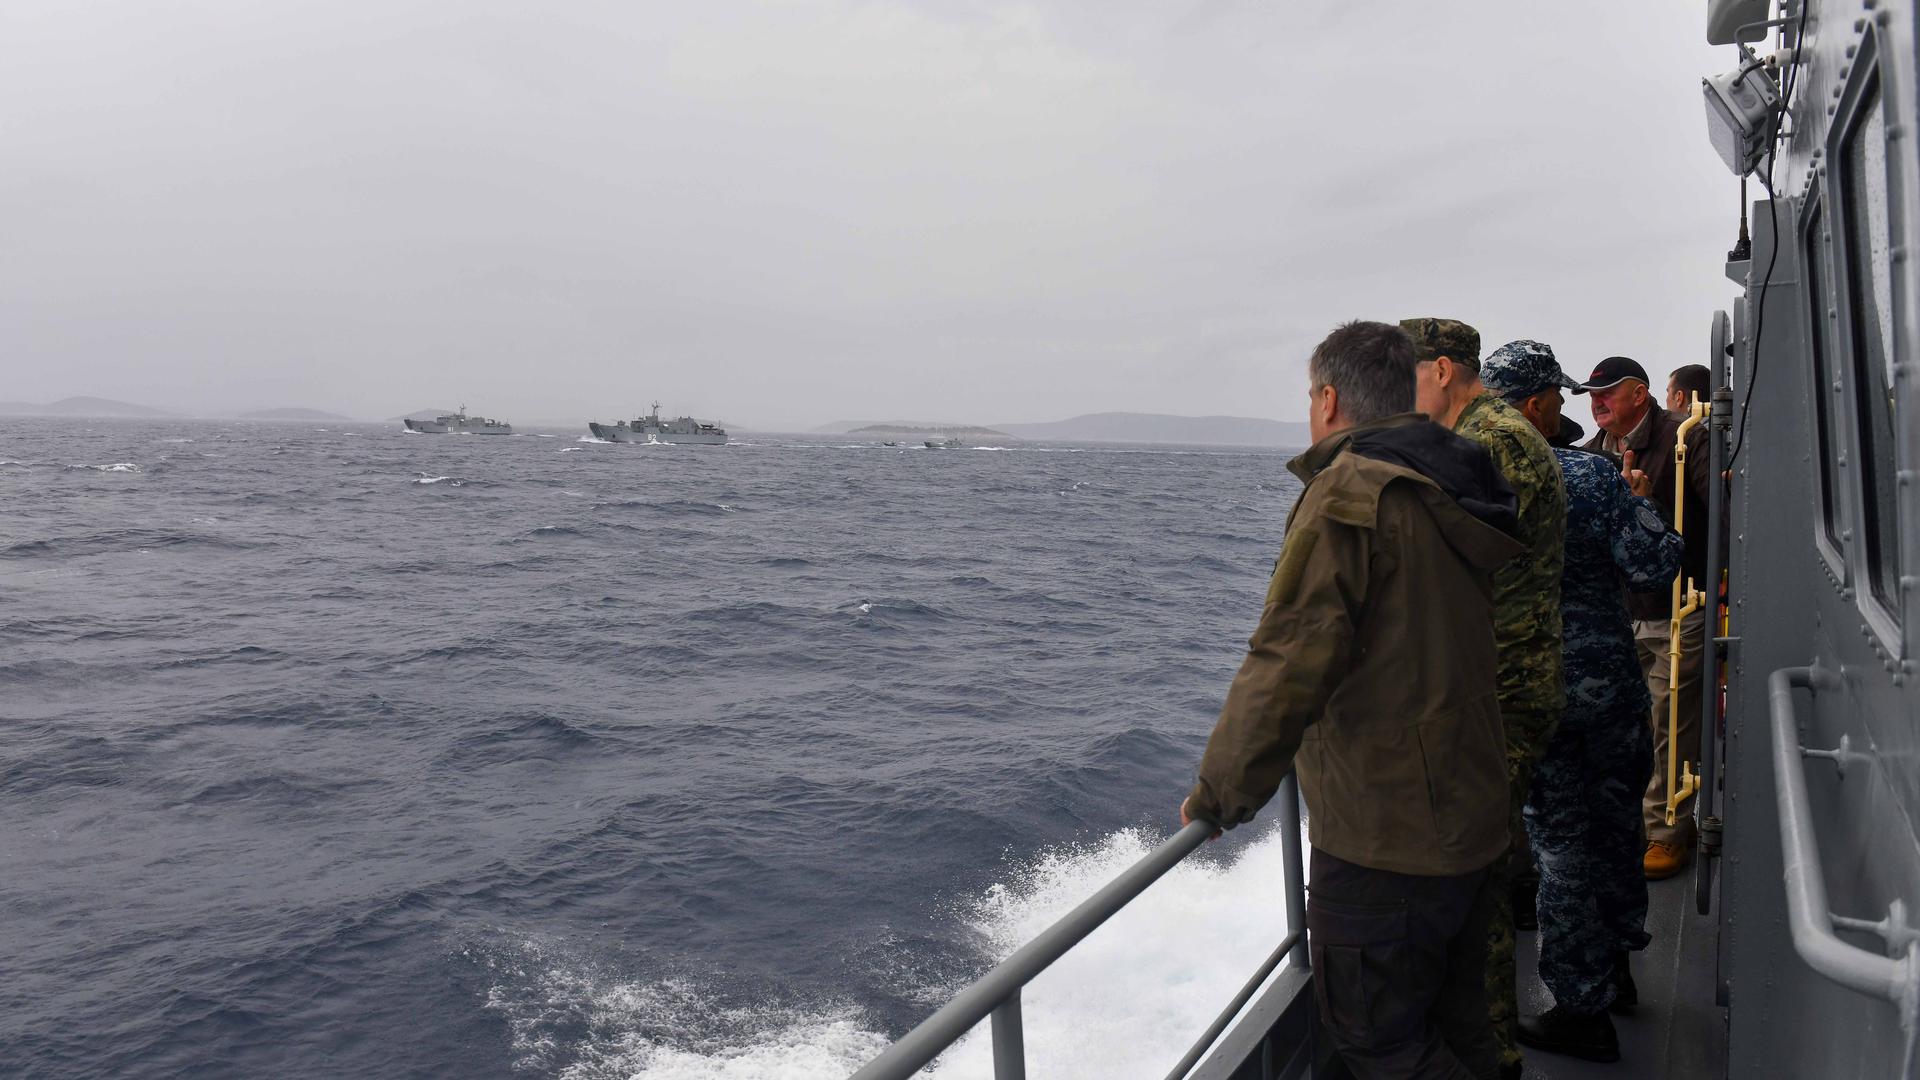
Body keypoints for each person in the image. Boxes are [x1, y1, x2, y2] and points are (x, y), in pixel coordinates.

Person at [1181, 319, 1522, 1080]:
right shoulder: (1457, 480)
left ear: (1330, 399)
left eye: (1311, 396)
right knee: (1461, 1030)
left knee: (1378, 1040)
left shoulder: (1350, 493)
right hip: (1470, 809)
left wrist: (1220, 793)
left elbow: (1288, 658)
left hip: (1388, 833)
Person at [1482, 341, 1685, 1063]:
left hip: (1534, 694)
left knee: (1560, 847)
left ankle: (1579, 1004)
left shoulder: (1470, 481)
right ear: (1536, 403)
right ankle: (1617, 971)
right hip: (1611, 685)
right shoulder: (1591, 475)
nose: (1566, 409)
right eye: (1558, 399)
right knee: (1613, 825)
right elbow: (1656, 563)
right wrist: (1639, 504)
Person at [1401, 317, 1566, 1080]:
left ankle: (1489, 1054)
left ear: (1440, 370)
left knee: (1476, 879)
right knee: (1479, 869)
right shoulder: (1495, 431)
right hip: (1497, 681)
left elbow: (1443, 567)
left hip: (1496, 688)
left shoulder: (1487, 442)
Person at [1576, 356, 1712, 880]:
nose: (1597, 401)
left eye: (1608, 391)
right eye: (1592, 394)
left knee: (1669, 724)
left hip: (1678, 604)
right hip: (1620, 612)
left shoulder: (1686, 438)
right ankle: (1640, 823)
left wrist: (1645, 506)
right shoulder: (1591, 455)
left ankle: (1666, 831)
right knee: (1626, 726)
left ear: (1641, 393)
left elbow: (1719, 512)